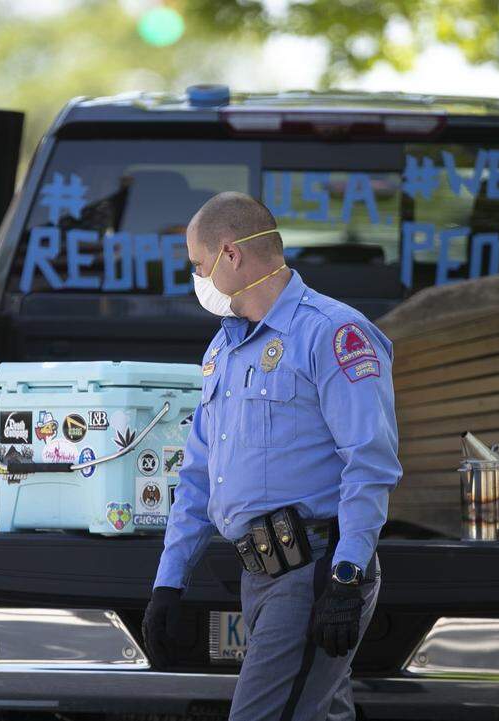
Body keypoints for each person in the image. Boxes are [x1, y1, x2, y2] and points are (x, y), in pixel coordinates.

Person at [142, 192, 402, 720]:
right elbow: (197, 476)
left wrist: (346, 576)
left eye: (198, 263)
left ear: (230, 254)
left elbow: (368, 464)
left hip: (313, 571)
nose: (197, 278)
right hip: (257, 574)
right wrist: (169, 582)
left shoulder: (332, 333)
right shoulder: (225, 348)